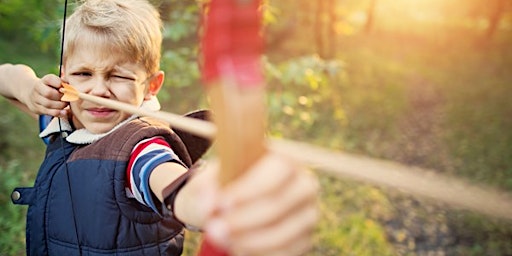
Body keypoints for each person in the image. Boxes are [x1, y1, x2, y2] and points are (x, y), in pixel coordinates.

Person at [0, 0, 318, 255]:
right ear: (64, 75)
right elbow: (6, 76)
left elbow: (176, 186)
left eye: (118, 76)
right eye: (83, 74)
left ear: (152, 86)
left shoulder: (142, 146)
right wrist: (30, 89)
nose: (97, 90)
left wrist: (220, 202)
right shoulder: (65, 120)